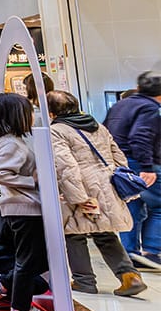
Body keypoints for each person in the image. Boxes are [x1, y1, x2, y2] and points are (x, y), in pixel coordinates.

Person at [45, 91, 145, 298]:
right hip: (106, 184)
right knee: (105, 233)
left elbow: (67, 167)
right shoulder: (97, 126)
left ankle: (84, 281)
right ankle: (130, 275)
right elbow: (119, 157)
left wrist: (79, 199)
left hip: (81, 186)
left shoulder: (57, 131)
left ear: (52, 111)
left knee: (74, 234)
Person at [0, 92, 50, 311]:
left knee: (36, 259)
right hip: (22, 207)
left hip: (24, 206)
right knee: (29, 260)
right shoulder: (12, 142)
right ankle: (19, 307)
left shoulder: (15, 140)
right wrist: (32, 180)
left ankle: (3, 288)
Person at [106, 72, 161, 267]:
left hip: (119, 163)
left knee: (132, 208)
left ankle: (131, 253)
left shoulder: (121, 105)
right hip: (140, 163)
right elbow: (141, 136)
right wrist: (147, 167)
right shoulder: (150, 107)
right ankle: (152, 251)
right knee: (159, 204)